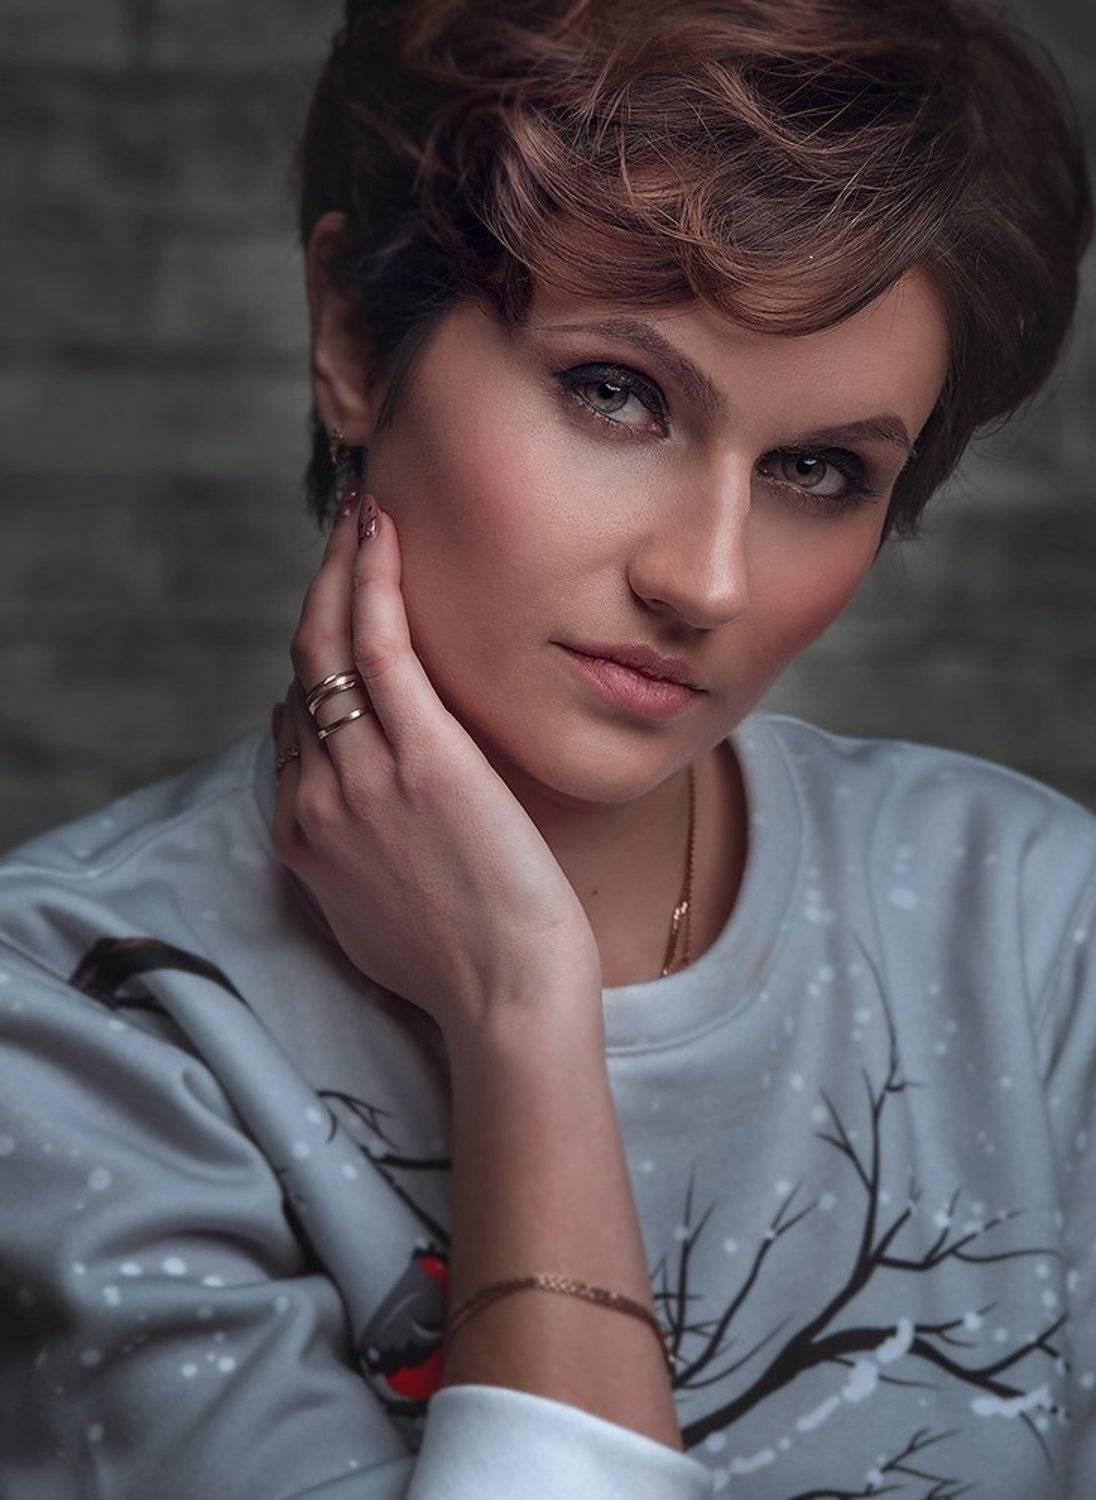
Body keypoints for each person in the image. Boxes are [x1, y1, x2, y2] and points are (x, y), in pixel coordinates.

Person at [1, 0, 1093, 1495]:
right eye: (615, 392)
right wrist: (520, 1013)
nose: (705, 580)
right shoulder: (74, 1022)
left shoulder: (1030, 929)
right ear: (352, 338)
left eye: (818, 469)